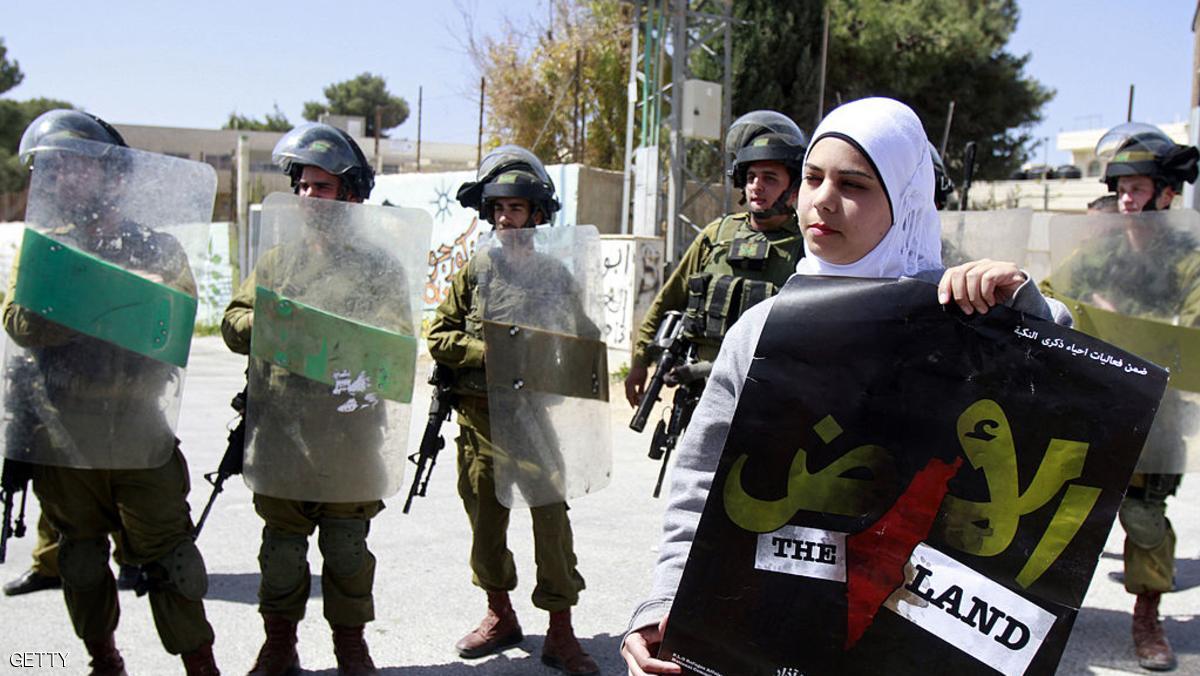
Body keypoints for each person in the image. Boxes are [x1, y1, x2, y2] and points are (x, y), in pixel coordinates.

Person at [620, 97, 1073, 675]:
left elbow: (1072, 402)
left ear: (905, 202)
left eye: (853, 183)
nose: (823, 199)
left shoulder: (962, 314)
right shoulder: (764, 329)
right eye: (812, 177)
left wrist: (1018, 309)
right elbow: (701, 482)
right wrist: (666, 606)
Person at [2, 109, 219, 674]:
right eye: (58, 170)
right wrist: (119, 302)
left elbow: (172, 327)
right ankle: (105, 660)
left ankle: (200, 664)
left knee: (172, 558)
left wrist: (76, 303)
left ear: (114, 176)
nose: (68, 179)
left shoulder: (158, 248)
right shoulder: (42, 249)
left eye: (81, 167)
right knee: (78, 558)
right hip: (64, 437)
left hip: (138, 429)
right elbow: (21, 323)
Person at [426, 145, 600, 676]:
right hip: (478, 421)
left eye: (517, 209)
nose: (507, 218)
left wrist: (564, 359)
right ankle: (499, 614)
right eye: (499, 209)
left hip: (533, 421)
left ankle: (561, 631)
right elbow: (438, 335)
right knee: (485, 526)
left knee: (551, 523)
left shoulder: (553, 275)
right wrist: (489, 354)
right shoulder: (476, 270)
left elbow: (583, 339)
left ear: (536, 215)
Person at [221, 122, 386, 676]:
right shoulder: (278, 262)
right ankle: (279, 645)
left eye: (322, 186)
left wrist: (340, 341)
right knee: (283, 553)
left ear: (350, 194)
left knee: (346, 551)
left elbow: (393, 345)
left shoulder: (378, 267)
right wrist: (277, 323)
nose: (309, 196)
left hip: (348, 432)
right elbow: (234, 320)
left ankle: (351, 646)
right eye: (304, 186)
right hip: (284, 431)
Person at [1044, 122, 1200, 672]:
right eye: (1122, 190)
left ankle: (1147, 617)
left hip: (1157, 411)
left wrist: (1116, 319)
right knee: (1059, 510)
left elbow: (1193, 333)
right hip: (1094, 404)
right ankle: (1041, 610)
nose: (1127, 202)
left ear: (1166, 195)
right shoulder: (1101, 251)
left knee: (1145, 519)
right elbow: (1050, 295)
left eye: (1137, 189)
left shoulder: (1189, 258)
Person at [623, 110, 808, 408]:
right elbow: (668, 300)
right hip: (700, 393)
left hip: (765, 398)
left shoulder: (805, 247)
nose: (756, 186)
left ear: (794, 187)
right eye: (750, 177)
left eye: (770, 178)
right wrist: (639, 361)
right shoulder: (716, 236)